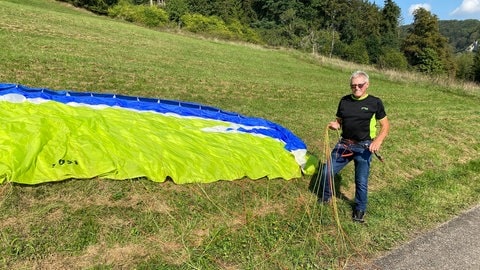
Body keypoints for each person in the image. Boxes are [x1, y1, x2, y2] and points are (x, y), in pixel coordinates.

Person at [319, 70, 390, 223]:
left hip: (364, 147)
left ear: (367, 85)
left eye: (360, 85)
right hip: (344, 144)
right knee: (326, 172)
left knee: (361, 181)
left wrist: (377, 141)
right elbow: (339, 121)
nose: (356, 88)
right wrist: (336, 125)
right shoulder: (344, 101)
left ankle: (359, 209)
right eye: (353, 86)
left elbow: (385, 126)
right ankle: (325, 197)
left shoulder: (375, 102)